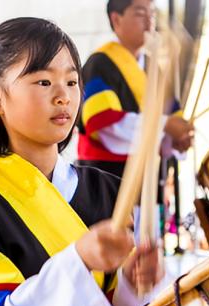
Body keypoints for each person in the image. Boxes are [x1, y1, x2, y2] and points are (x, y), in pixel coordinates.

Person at [0, 17, 162, 306]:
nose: (64, 96)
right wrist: (79, 261)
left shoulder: (107, 189)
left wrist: (132, 285)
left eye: (72, 82)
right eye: (44, 82)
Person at [76, 0, 194, 178]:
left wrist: (177, 139)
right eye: (140, 13)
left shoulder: (153, 67)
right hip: (107, 177)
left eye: (152, 14)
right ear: (116, 19)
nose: (149, 21)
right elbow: (103, 123)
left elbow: (171, 117)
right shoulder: (99, 63)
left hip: (149, 177)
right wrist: (164, 125)